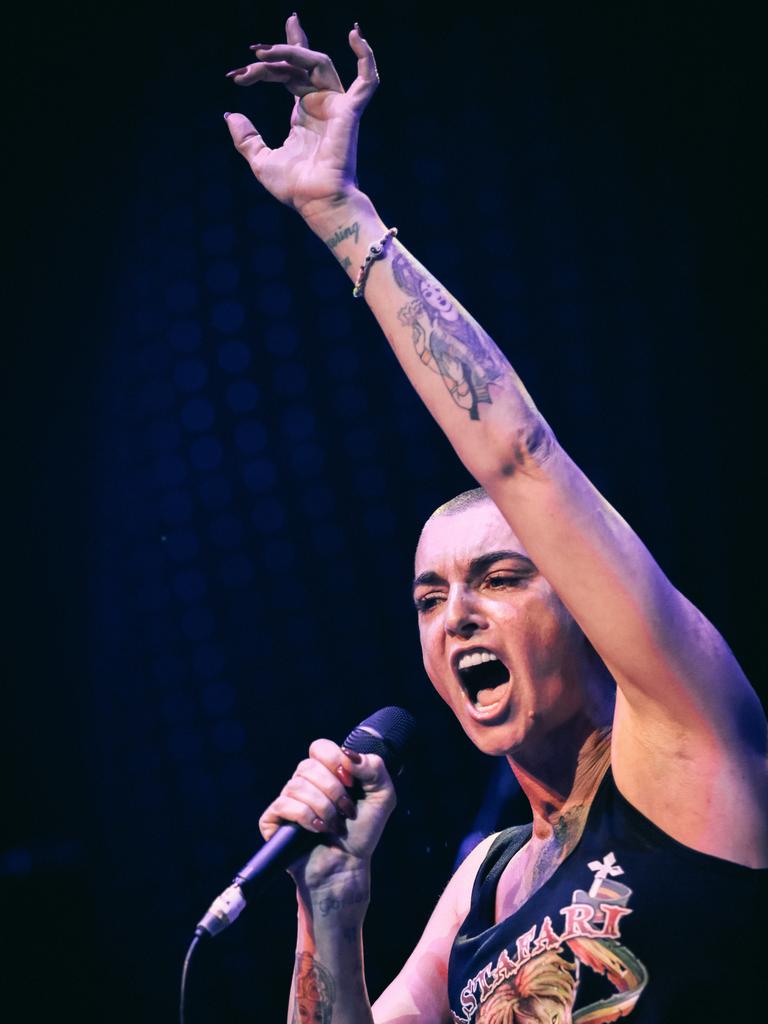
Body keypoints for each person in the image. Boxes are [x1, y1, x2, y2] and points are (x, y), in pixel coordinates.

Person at [223, 15, 767, 1022]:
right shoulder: (481, 890)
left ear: (586, 599)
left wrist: (341, 214)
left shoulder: (688, 732)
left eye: (500, 576)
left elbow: (519, 456)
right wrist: (328, 916)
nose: (455, 616)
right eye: (429, 597)